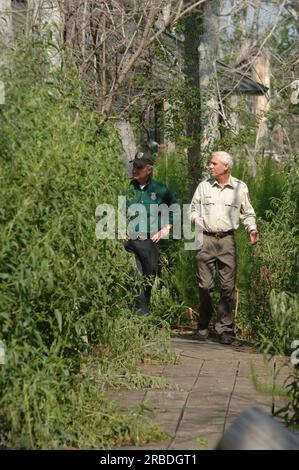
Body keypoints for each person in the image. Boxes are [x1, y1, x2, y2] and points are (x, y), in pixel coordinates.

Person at [190, 151, 259, 344]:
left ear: (226, 166)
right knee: (205, 286)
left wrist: (252, 229)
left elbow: (248, 213)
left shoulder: (239, 188)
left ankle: (225, 329)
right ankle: (203, 325)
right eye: (210, 164)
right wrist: (195, 218)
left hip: (227, 240)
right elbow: (193, 208)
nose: (210, 166)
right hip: (205, 239)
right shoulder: (204, 187)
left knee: (227, 288)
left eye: (214, 163)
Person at [124, 150, 178, 316]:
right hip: (130, 242)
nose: (135, 169)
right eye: (134, 165)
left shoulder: (160, 190)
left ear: (149, 170)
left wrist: (166, 228)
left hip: (150, 242)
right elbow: (115, 208)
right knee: (134, 278)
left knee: (148, 279)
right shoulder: (126, 187)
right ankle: (138, 318)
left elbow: (174, 209)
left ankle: (143, 316)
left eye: (139, 167)